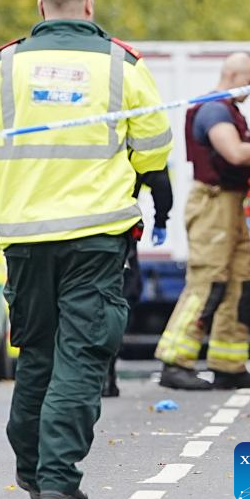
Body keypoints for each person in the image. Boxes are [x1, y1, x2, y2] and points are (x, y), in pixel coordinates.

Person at [0, 0, 172, 499]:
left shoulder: (3, 66)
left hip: (26, 235)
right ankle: (56, 473)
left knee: (36, 352)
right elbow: (154, 147)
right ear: (89, 5)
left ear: (41, 6)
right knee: (81, 353)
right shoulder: (122, 65)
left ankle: (33, 467)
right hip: (97, 235)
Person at [154, 53, 250, 390]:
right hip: (213, 204)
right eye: (249, 81)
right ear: (233, 75)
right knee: (208, 282)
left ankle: (229, 365)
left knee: (239, 282)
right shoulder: (214, 110)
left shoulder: (228, 111)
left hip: (231, 203)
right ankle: (175, 362)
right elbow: (235, 153)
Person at [103, 166, 173, 397]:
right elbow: (159, 177)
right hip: (114, 233)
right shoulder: (125, 145)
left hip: (53, 233)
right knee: (115, 300)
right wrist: (161, 219)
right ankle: (104, 375)